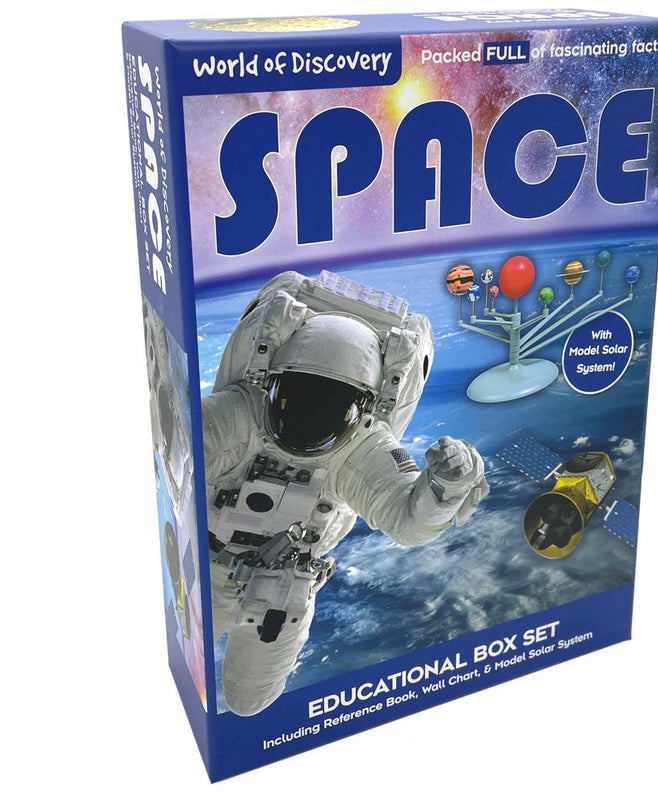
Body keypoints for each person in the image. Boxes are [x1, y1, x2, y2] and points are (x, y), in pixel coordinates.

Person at [203, 270, 489, 716]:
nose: (310, 416)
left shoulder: (363, 444)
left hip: (282, 592)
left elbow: (409, 522)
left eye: (328, 405)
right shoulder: (237, 415)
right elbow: (173, 463)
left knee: (248, 701)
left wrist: (446, 486)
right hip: (204, 572)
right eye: (300, 396)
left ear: (363, 406)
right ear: (273, 382)